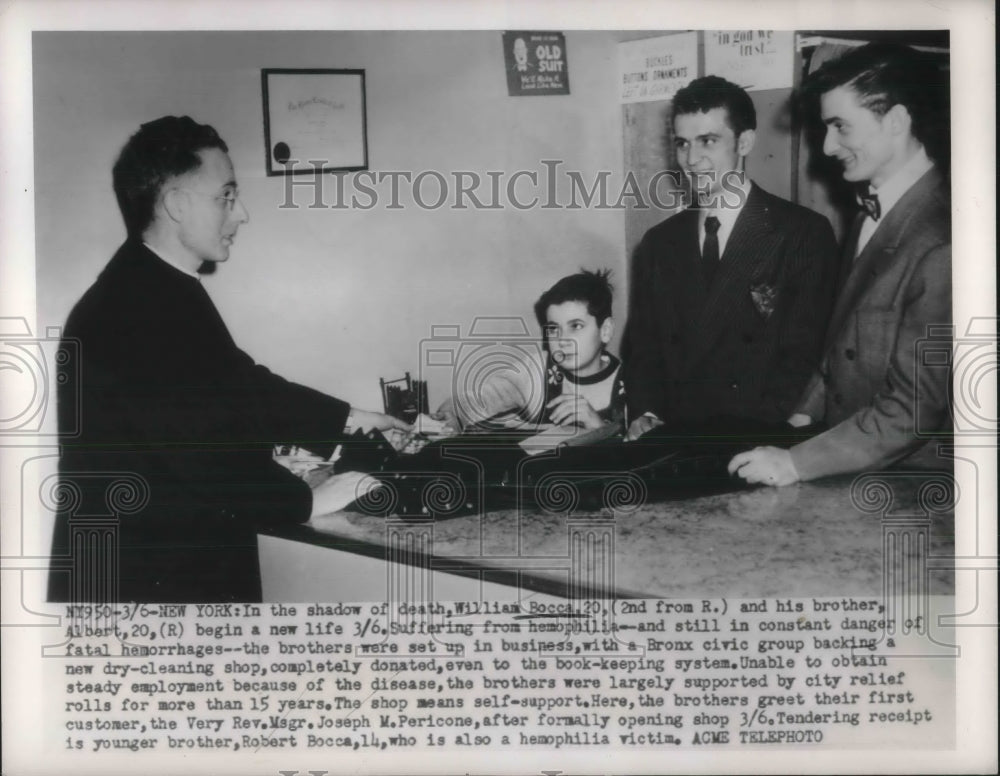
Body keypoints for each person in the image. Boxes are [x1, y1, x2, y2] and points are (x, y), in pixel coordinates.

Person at [50, 115, 408, 603]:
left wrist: (351, 418)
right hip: (150, 586)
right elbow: (203, 457)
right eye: (226, 196)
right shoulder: (138, 306)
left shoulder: (151, 284)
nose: (241, 215)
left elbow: (237, 383)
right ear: (175, 204)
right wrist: (307, 499)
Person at [729, 43, 951, 486]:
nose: (828, 146)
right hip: (850, 461)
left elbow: (912, 413)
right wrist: (801, 415)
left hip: (914, 486)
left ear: (896, 122)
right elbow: (843, 344)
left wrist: (796, 463)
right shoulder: (871, 214)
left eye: (840, 127)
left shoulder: (941, 241)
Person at [624, 76, 839, 441]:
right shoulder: (658, 244)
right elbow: (643, 349)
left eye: (708, 141)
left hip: (759, 442)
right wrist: (645, 412)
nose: (692, 160)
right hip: (672, 442)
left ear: (745, 142)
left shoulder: (802, 234)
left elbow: (807, 356)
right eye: (682, 144)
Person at [439, 269, 625, 431]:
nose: (562, 340)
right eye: (553, 329)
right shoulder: (536, 370)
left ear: (605, 331)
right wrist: (451, 417)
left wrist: (599, 428)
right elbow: (477, 400)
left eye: (576, 326)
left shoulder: (634, 383)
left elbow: (641, 458)